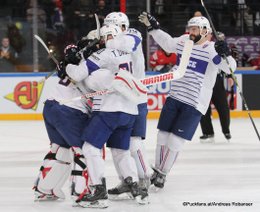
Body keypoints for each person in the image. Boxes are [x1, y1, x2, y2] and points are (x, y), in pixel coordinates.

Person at [138, 12, 237, 189]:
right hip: (175, 96)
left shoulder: (212, 49)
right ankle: (158, 171)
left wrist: (226, 54)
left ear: (205, 30)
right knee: (162, 135)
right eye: (190, 28)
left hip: (194, 103)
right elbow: (167, 43)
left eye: (195, 28)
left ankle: (162, 173)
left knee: (176, 140)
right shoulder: (184, 41)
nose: (191, 31)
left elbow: (228, 68)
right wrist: (152, 28)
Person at [75, 25, 149, 208]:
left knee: (90, 148)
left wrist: (70, 64)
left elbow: (78, 76)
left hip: (110, 110)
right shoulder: (133, 54)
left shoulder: (104, 54)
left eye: (103, 38)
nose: (101, 41)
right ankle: (137, 189)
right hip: (131, 111)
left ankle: (98, 192)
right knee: (120, 151)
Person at [33, 44, 92, 201]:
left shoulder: (66, 66)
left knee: (59, 150)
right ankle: (80, 192)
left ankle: (44, 187)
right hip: (69, 111)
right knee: (83, 151)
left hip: (51, 108)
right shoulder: (85, 67)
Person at [103, 12, 152, 194]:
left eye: (111, 27)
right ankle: (126, 179)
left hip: (136, 97)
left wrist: (104, 41)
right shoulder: (112, 43)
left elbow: (130, 44)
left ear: (122, 26)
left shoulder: (132, 34)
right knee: (118, 144)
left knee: (134, 142)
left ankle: (145, 177)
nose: (108, 30)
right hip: (117, 100)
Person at [200, 31, 234, 142]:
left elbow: (226, 64)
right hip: (202, 81)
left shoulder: (218, 47)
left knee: (223, 107)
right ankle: (207, 132)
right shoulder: (200, 46)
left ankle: (226, 130)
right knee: (203, 108)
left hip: (216, 80)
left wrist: (230, 76)